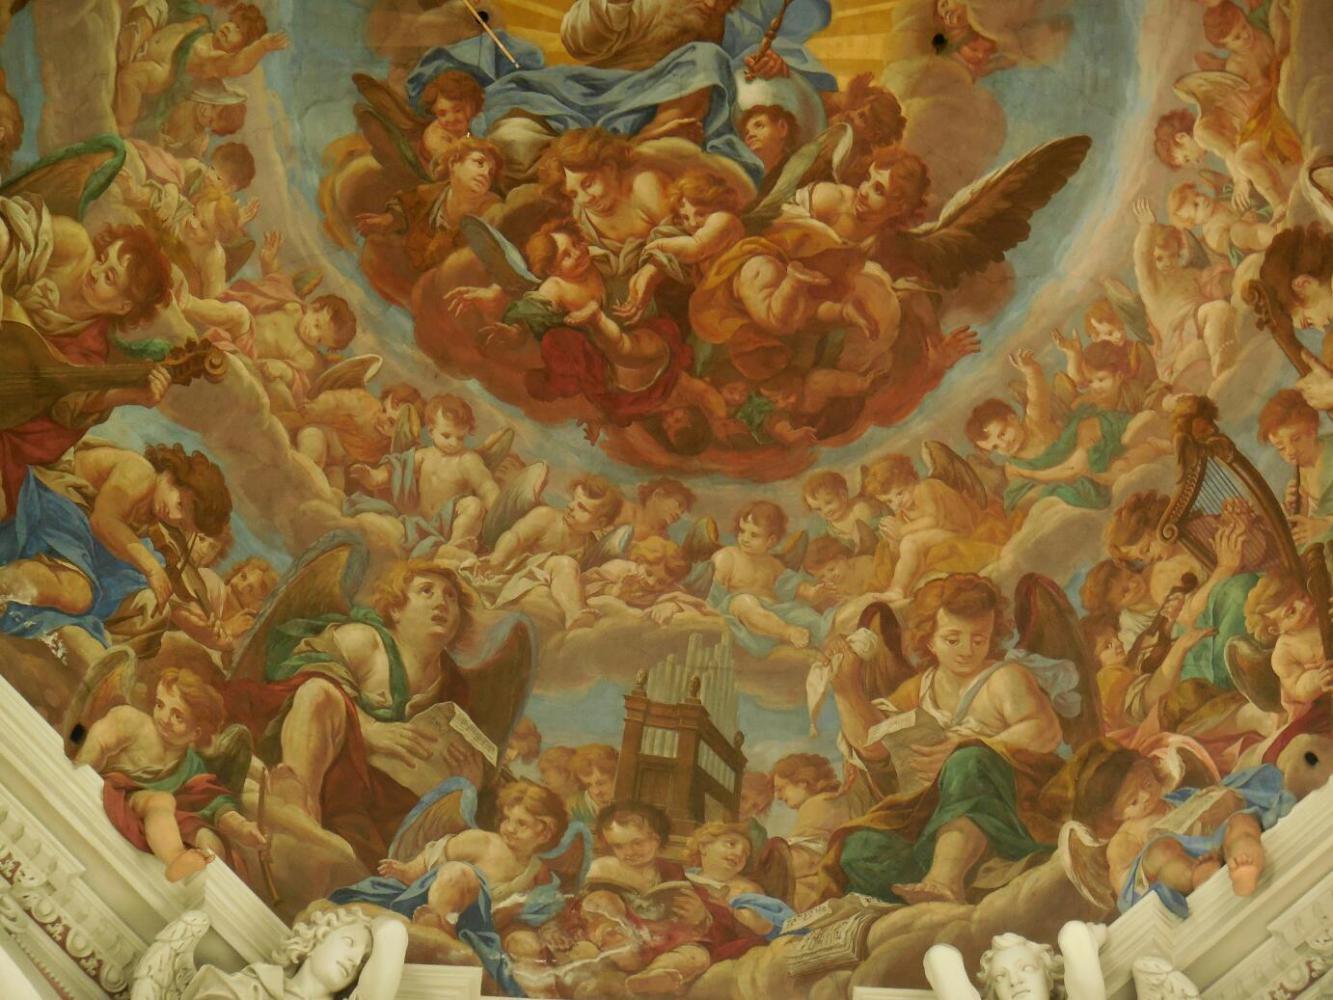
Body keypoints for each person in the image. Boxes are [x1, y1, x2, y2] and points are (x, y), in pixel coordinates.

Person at [821, 574, 1065, 905]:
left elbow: (1045, 730)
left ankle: (944, 881)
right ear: (929, 640)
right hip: (934, 817)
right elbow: (873, 744)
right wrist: (846, 689)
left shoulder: (1004, 679)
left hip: (1011, 813)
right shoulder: (920, 688)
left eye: (978, 639)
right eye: (953, 639)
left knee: (968, 762)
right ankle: (921, 895)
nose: (967, 650)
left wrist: (968, 745)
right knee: (858, 851)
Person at [248, 560, 473, 857]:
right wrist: (367, 727)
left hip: (373, 794)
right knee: (319, 693)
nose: (441, 602)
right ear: (396, 609)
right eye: (426, 591)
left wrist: (467, 779)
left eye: (450, 596)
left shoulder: (451, 686)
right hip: (320, 753)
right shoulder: (366, 641)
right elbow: (304, 667)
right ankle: (297, 814)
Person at [0, 443, 231, 645]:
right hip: (57, 502)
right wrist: (151, 568)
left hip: (78, 531)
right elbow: (103, 521)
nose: (173, 516)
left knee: (118, 589)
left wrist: (190, 615)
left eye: (181, 523)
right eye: (180, 504)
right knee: (78, 591)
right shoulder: (142, 472)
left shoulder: (154, 516)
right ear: (174, 474)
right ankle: (5, 584)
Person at [76, 666, 264, 881]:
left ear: (195, 733)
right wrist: (79, 772)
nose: (165, 718)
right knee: (162, 800)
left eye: (178, 717)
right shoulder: (135, 722)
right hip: (115, 790)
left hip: (147, 807)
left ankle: (186, 864)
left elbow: (216, 803)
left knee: (185, 819)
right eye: (160, 705)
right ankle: (176, 856)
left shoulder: (192, 765)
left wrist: (242, 828)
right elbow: (99, 741)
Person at [374, 779, 569, 935]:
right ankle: (437, 925)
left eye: (521, 824)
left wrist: (520, 910)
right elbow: (431, 858)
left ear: (545, 834)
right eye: (507, 819)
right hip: (440, 903)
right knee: (458, 873)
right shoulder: (482, 841)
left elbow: (545, 904)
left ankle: (448, 934)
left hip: (481, 927)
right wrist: (407, 871)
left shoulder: (537, 870)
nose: (510, 828)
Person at [350, 393, 500, 558]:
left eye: (460, 437)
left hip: (449, 526)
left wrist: (494, 504)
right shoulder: (424, 455)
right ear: (431, 431)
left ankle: (455, 545)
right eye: (446, 435)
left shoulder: (467, 460)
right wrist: (374, 477)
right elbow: (397, 468)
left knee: (474, 504)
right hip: (421, 525)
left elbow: (486, 486)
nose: (454, 443)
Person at [182, 909, 408, 1000]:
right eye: (349, 942)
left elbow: (393, 932)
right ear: (316, 940)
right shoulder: (251, 987)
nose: (354, 960)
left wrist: (379, 924)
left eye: (362, 963)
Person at [709, 500, 823, 651]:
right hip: (741, 614)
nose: (745, 538)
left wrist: (812, 592)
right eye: (742, 531)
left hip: (774, 612)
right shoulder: (728, 557)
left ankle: (827, 645)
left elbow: (794, 585)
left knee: (808, 616)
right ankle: (788, 632)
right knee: (744, 602)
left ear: (771, 541)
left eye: (754, 535)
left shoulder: (773, 564)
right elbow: (714, 595)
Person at [1243, 573, 1333, 724]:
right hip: (1317, 697)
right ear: (1276, 629)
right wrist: (1317, 679)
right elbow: (1297, 687)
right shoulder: (1284, 652)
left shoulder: (1322, 613)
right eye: (1291, 611)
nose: (1303, 605)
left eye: (1302, 596)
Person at [772, 753, 850, 909]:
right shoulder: (830, 800)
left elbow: (808, 859)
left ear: (802, 782)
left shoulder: (817, 804)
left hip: (822, 889)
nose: (777, 796)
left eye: (781, 788)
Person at [1257, 389, 1333, 546]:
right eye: (1281, 447)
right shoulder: (1298, 475)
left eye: (1296, 439)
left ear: (1312, 430)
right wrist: (1300, 510)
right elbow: (1311, 521)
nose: (1290, 452)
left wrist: (1327, 524)